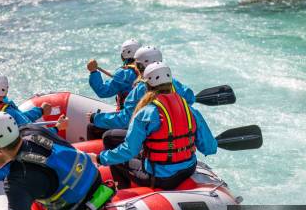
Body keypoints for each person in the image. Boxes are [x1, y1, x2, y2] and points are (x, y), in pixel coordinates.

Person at [88, 62, 217, 190]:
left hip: (160, 178)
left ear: (147, 85)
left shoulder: (146, 113)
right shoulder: (191, 111)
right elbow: (209, 148)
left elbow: (129, 151)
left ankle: (122, 192)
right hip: (188, 170)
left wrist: (100, 158)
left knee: (118, 159)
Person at [86, 46, 196, 143]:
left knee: (103, 134)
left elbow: (126, 119)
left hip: (146, 135)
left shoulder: (139, 88)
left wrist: (96, 118)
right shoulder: (173, 83)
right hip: (171, 135)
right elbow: (190, 98)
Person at [87, 38, 141, 109]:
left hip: (128, 116)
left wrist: (93, 72)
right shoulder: (147, 69)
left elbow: (103, 91)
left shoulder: (124, 73)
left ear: (123, 56)